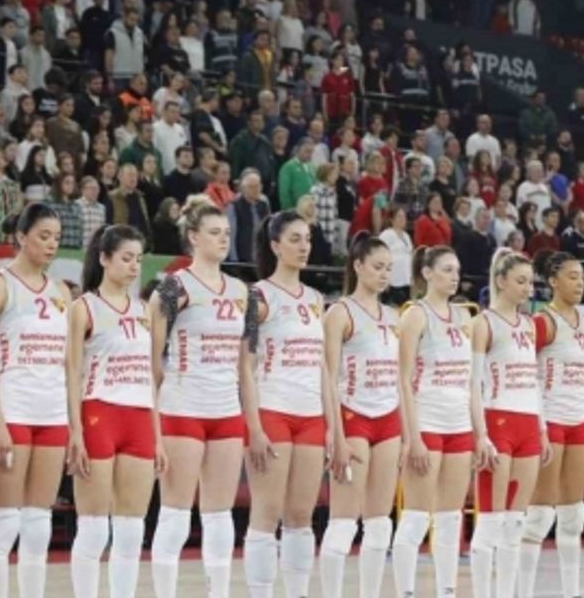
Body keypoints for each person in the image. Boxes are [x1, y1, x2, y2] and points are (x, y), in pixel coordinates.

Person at [147, 201, 248, 598]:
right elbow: (152, 357)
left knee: (220, 515)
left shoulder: (240, 290)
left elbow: (246, 360)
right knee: (175, 514)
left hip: (226, 409)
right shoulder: (175, 286)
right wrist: (156, 414)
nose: (223, 239)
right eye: (214, 232)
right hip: (183, 407)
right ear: (193, 237)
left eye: (227, 233)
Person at [0, 205, 72, 598]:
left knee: (38, 526)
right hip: (13, 410)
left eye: (56, 238)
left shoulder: (61, 291)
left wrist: (73, 423)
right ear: (21, 236)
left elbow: (69, 364)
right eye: (43, 236)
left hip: (53, 414)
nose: (51, 244)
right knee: (3, 525)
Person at [239, 212, 335, 598]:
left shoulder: (315, 299)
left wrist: (332, 427)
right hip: (273, 411)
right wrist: (254, 427)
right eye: (294, 239)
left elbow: (323, 367)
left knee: (300, 516)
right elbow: (244, 366)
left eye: (307, 239)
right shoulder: (258, 296)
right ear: (276, 246)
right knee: (267, 513)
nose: (303, 246)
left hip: (311, 416)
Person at [67, 225, 162, 598]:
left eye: (138, 259)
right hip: (99, 414)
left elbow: (150, 376)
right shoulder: (84, 308)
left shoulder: (144, 309)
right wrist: (75, 432)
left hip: (139, 418)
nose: (135, 266)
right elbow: (72, 373)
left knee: (131, 531)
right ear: (104, 259)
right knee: (93, 529)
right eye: (126, 258)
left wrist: (158, 437)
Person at [393, 245, 488, 598]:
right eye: (447, 270)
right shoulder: (415, 316)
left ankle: (447, 590)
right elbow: (403, 380)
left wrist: (479, 433)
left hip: (459, 426)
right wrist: (412, 437)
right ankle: (405, 592)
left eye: (457, 270)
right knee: (417, 517)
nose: (454, 277)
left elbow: (472, 382)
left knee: (450, 519)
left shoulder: (465, 317)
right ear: (427, 273)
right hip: (427, 424)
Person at [320, 232, 402, 598]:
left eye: (389, 268)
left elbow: (401, 378)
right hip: (353, 416)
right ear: (358, 266)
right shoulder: (340, 313)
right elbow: (328, 377)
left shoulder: (394, 316)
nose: (384, 274)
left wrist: (407, 434)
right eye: (377, 267)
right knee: (343, 522)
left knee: (380, 523)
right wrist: (334, 434)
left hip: (389, 418)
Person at [470, 248, 546, 597]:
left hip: (528, 425)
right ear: (501, 281)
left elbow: (535, 380)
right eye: (521, 281)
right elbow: (473, 383)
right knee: (491, 521)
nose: (528, 289)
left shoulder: (529, 325)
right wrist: (480, 435)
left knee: (516, 523)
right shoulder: (484, 323)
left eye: (530, 282)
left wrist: (542, 429)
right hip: (497, 422)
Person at [519, 252, 584, 598]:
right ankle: (522, 591)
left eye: (582, 277)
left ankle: (571, 591)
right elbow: (525, 373)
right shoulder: (543, 322)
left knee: (573, 516)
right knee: (539, 516)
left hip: (580, 421)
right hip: (549, 421)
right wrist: (538, 428)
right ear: (553, 281)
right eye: (572, 277)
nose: (579, 283)